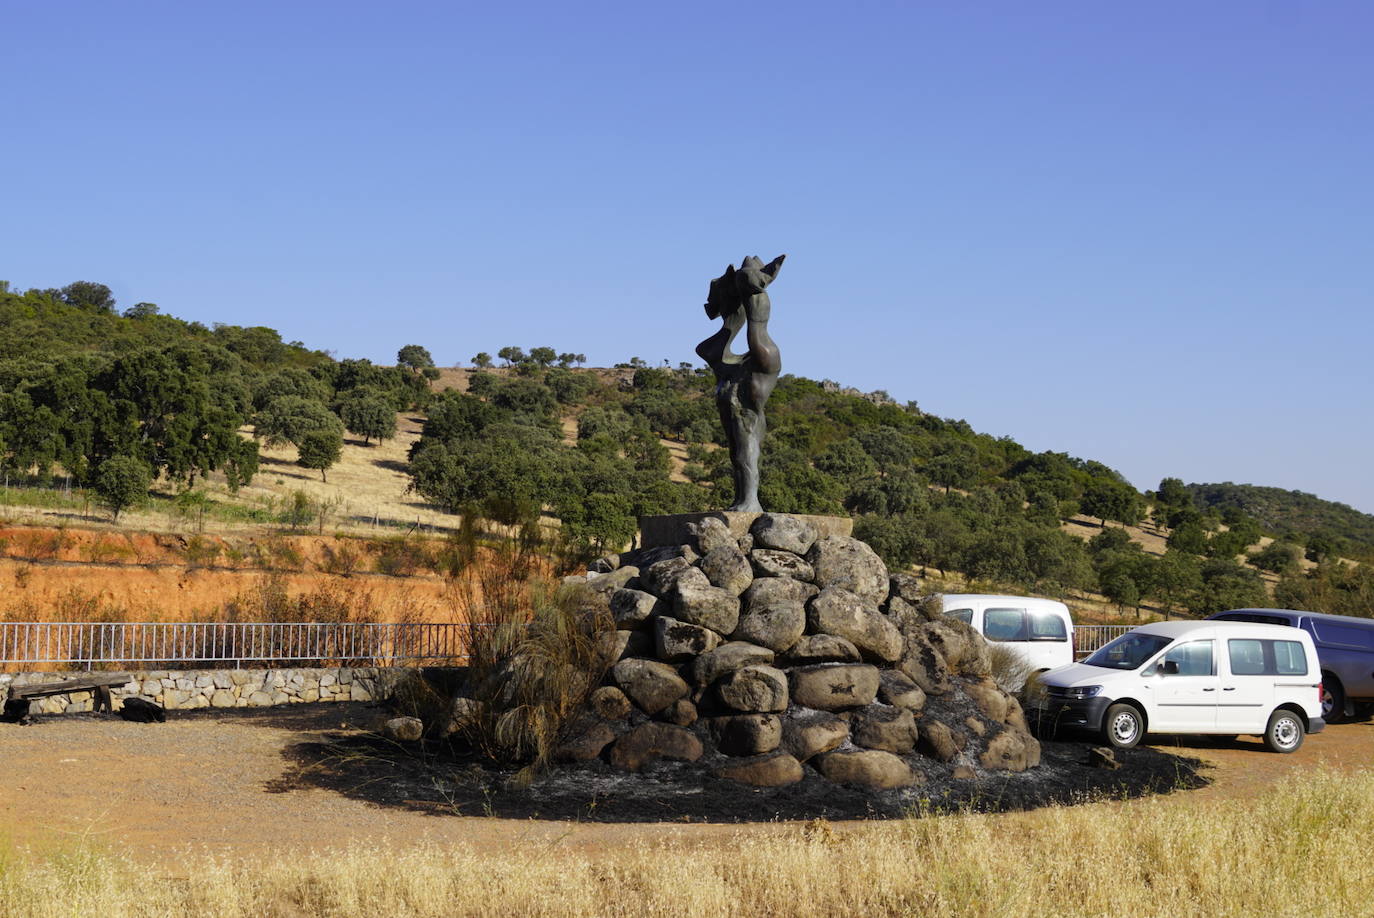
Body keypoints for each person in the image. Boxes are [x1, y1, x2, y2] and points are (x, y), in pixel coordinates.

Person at [694, 254, 785, 512]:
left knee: (746, 450)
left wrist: (747, 286)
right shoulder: (726, 364)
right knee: (737, 455)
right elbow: (708, 349)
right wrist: (728, 303)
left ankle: (750, 501)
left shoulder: (764, 360)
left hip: (748, 415)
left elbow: (757, 327)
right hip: (734, 410)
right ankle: (743, 499)